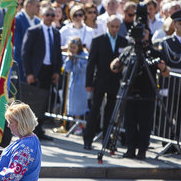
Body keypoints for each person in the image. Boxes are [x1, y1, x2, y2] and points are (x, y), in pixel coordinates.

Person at [111, 29, 170, 159]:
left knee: (145, 124)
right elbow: (115, 67)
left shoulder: (154, 52)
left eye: (145, 32)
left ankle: (142, 150)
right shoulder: (128, 51)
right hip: (129, 93)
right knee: (129, 123)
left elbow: (166, 72)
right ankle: (130, 149)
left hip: (147, 93)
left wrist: (163, 68)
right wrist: (114, 64)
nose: (142, 35)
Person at [83, 15, 129, 149]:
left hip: (115, 81)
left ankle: (107, 139)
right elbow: (91, 63)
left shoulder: (123, 41)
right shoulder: (98, 41)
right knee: (95, 110)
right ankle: (88, 139)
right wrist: (89, 83)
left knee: (111, 111)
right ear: (107, 25)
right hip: (100, 80)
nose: (114, 29)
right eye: (112, 26)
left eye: (117, 27)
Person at [21, 5, 62, 140]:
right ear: (42, 16)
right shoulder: (33, 31)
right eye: (48, 14)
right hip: (36, 70)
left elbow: (58, 54)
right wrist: (29, 73)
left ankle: (40, 129)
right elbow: (25, 54)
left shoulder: (56, 32)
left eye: (52, 15)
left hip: (49, 70)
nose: (50, 17)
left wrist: (57, 71)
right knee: (33, 101)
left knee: (45, 101)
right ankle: (30, 129)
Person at [63, 37, 89, 135]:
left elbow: (82, 69)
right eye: (71, 47)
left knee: (79, 104)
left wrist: (76, 60)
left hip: (82, 83)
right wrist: (70, 59)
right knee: (72, 103)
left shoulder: (84, 55)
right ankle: (72, 123)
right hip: (73, 83)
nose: (73, 49)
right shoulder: (71, 55)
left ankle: (79, 124)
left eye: (74, 47)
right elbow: (67, 69)